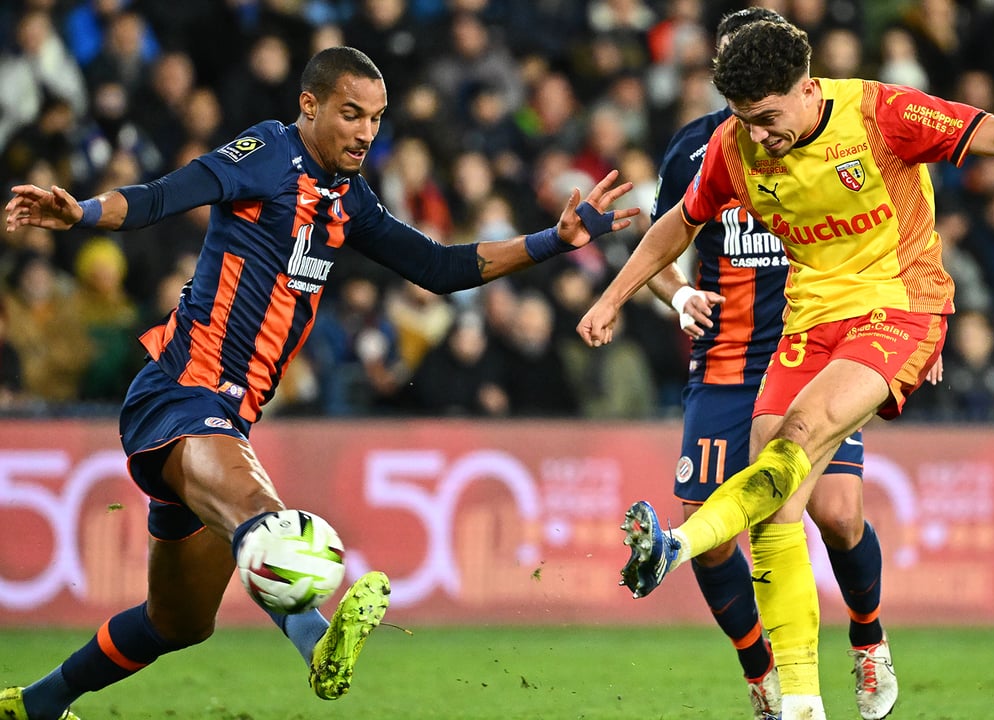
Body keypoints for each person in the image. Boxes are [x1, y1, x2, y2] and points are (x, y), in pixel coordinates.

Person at [2, 45, 637, 720]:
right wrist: (85, 213)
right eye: (351, 114)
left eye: (378, 118)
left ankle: (36, 705)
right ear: (309, 106)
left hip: (230, 416)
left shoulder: (349, 199)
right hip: (182, 392)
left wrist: (554, 240)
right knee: (258, 508)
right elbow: (165, 194)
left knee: (179, 622)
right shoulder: (268, 154)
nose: (367, 132)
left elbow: (441, 268)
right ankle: (315, 644)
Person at [577, 19, 994, 720]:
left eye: (768, 118)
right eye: (745, 120)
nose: (759, 136)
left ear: (807, 88)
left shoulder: (881, 114)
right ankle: (799, 703)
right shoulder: (732, 147)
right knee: (776, 508)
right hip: (807, 327)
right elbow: (680, 220)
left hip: (898, 311)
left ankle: (698, 558)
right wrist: (616, 295)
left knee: (802, 454)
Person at [645, 8, 920, 720]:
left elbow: (894, 226)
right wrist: (677, 297)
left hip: (821, 348)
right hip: (726, 362)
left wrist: (911, 326)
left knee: (837, 515)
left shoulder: (832, 136)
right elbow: (658, 250)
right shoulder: (700, 151)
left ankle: (868, 638)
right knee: (709, 531)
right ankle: (764, 677)